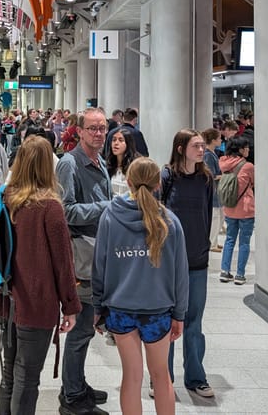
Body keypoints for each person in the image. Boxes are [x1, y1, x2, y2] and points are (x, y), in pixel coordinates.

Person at [0, 136, 81, 415]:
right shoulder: (50, 207)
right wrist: (70, 306)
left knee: (9, 374)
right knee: (27, 378)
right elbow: (63, 264)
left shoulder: (6, 198)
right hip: (36, 302)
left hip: (6, 297)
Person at [93, 158, 189, 415]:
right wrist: (179, 314)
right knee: (161, 376)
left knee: (132, 376)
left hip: (120, 309)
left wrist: (97, 307)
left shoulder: (110, 216)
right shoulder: (170, 221)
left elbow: (99, 265)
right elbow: (181, 274)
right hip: (158, 310)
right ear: (158, 184)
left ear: (128, 182)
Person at [56, 107, 112, 415]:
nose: (99, 133)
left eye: (102, 128)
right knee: (80, 332)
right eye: (93, 128)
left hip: (96, 254)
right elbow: (65, 211)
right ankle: (72, 397)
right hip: (80, 257)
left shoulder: (100, 161)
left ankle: (76, 384)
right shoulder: (69, 164)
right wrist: (107, 207)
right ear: (79, 132)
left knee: (88, 329)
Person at [159, 128, 216, 398]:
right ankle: (162, 378)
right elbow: (157, 214)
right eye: (196, 146)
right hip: (169, 261)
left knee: (194, 321)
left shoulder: (206, 178)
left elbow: (207, 214)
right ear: (181, 148)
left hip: (197, 259)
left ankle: (195, 377)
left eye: (203, 145)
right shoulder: (167, 176)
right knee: (167, 320)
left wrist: (205, 245)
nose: (202, 150)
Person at [217, 135, 255, 285]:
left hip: (230, 207)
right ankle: (240, 274)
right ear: (240, 150)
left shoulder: (223, 163)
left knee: (229, 240)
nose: (248, 150)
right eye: (246, 148)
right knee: (244, 242)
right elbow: (254, 182)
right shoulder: (248, 166)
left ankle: (224, 271)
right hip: (246, 209)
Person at [201, 128, 225, 252]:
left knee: (220, 216)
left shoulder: (211, 153)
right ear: (214, 140)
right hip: (213, 190)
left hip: (216, 190)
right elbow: (210, 174)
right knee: (215, 217)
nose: (221, 140)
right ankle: (212, 243)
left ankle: (214, 241)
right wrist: (222, 176)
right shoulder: (208, 155)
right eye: (219, 138)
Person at [106, 126, 140, 198]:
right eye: (114, 140)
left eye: (121, 140)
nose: (116, 143)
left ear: (128, 143)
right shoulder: (109, 166)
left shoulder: (135, 166)